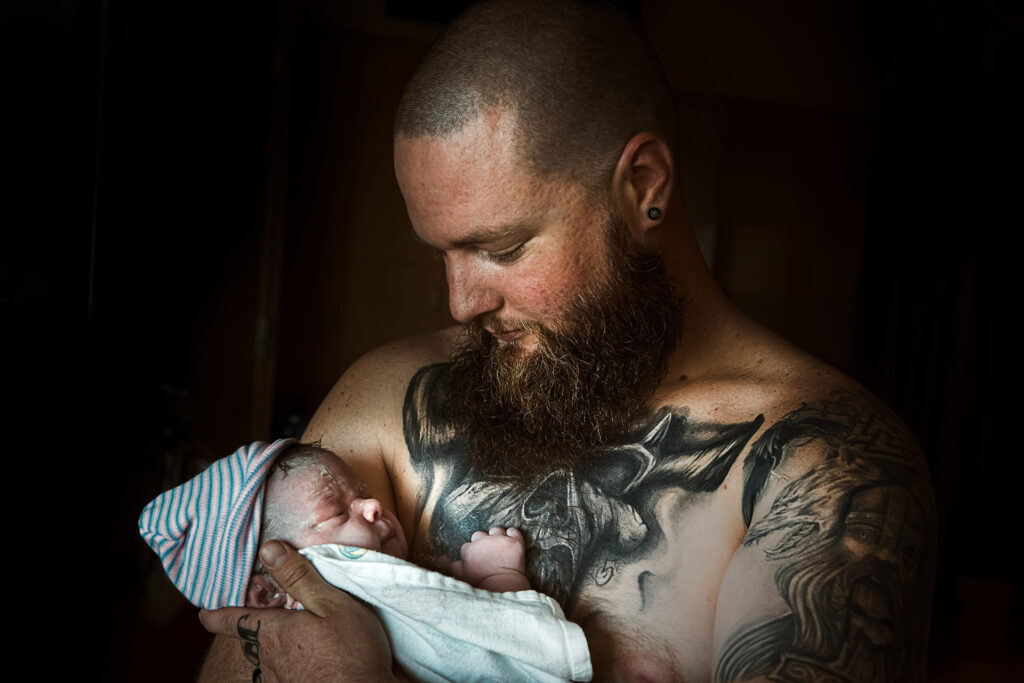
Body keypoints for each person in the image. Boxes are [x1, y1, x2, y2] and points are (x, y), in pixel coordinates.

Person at [198, 1, 937, 680]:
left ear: (643, 183)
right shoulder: (388, 396)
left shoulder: (822, 466)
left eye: (504, 247)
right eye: (441, 254)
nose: (461, 303)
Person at [140, 439, 591, 682]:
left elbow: (439, 636)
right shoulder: (339, 575)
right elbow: (499, 653)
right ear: (269, 589)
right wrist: (499, 579)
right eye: (337, 511)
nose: (373, 506)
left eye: (362, 492)